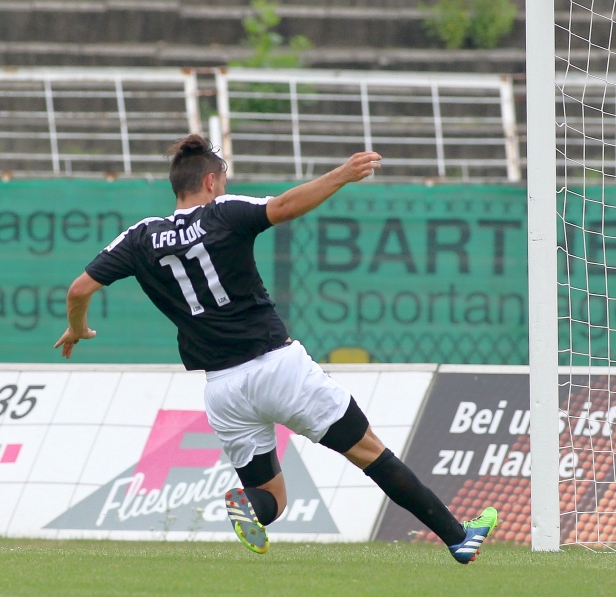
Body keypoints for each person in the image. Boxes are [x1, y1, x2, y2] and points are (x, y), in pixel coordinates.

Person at [54, 135, 497, 561]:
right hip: (277, 368)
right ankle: (459, 538)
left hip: (222, 390)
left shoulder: (140, 237)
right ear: (210, 181)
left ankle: (248, 506)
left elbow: (78, 289)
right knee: (369, 451)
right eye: (222, 180)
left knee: (271, 498)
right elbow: (282, 207)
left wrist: (77, 330)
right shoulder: (222, 213)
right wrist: (341, 175)